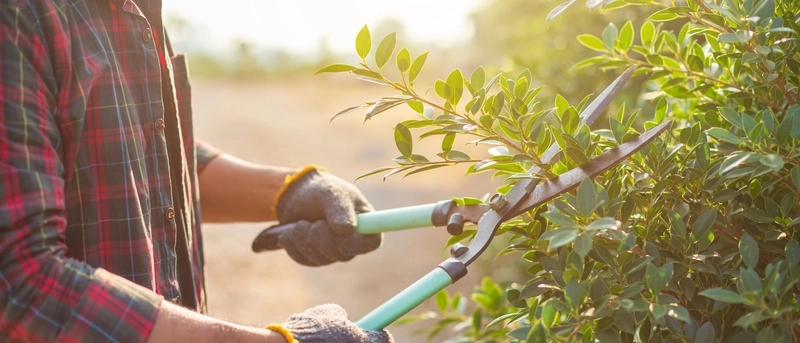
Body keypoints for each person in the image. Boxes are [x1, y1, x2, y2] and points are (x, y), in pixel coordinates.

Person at [0, 0, 393, 342]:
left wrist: (288, 192)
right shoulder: (19, 15)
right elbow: (19, 283)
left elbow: (136, 153)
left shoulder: (132, 11)